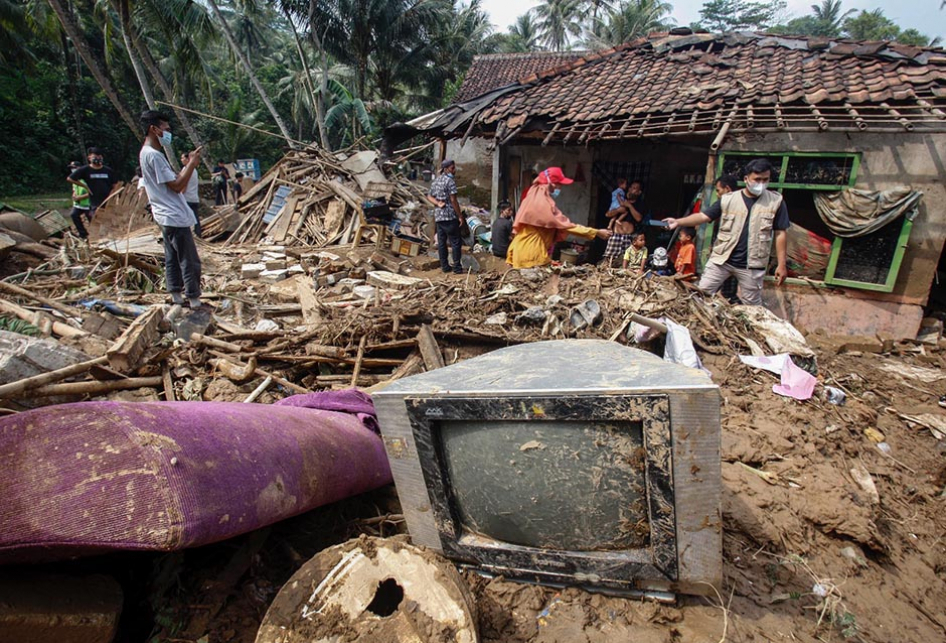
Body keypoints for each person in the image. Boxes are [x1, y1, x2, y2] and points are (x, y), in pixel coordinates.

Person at [665, 159, 789, 306]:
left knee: (753, 307)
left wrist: (782, 264)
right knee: (699, 295)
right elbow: (703, 216)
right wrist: (679, 222)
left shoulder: (776, 201)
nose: (761, 183)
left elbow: (781, 233)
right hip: (722, 260)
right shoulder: (728, 200)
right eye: (757, 179)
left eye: (765, 180)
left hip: (752, 265)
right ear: (746, 179)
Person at [138, 109, 205, 309]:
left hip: (165, 214)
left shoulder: (146, 153)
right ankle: (193, 298)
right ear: (154, 129)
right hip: (173, 215)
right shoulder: (154, 156)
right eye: (165, 129)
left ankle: (175, 293)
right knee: (189, 259)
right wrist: (192, 164)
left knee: (172, 257)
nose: (168, 132)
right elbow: (176, 186)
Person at [506, 167, 612, 269]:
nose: (560, 187)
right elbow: (568, 227)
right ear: (552, 183)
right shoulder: (542, 203)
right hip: (531, 255)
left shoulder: (532, 196)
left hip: (519, 252)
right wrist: (597, 232)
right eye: (560, 184)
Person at [426, 159, 465, 273]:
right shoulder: (450, 181)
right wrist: (460, 216)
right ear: (446, 169)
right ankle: (457, 268)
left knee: (442, 242)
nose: (454, 170)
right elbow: (453, 200)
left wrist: (437, 203)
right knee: (455, 242)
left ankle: (445, 266)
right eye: (453, 168)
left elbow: (429, 196)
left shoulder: (437, 181)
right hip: (449, 216)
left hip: (439, 217)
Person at [602, 179, 647, 266]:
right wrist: (618, 210)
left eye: (635, 188)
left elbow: (638, 219)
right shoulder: (620, 200)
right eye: (631, 187)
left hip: (629, 237)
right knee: (609, 258)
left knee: (628, 260)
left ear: (639, 192)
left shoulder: (640, 204)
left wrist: (629, 206)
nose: (631, 190)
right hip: (616, 235)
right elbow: (607, 214)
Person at [67, 147, 118, 221]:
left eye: (99, 156)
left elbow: (115, 185)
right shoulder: (85, 170)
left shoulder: (108, 170)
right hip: (94, 202)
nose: (97, 158)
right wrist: (85, 186)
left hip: (108, 200)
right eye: (95, 156)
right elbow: (70, 179)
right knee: (95, 220)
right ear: (89, 158)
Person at [713, 175, 740, 302]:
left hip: (730, 255)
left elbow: (704, 217)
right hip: (726, 254)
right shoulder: (726, 206)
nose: (717, 195)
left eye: (718, 190)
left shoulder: (734, 205)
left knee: (725, 291)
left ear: (727, 189)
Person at [67, 161, 92, 240]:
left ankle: (95, 234)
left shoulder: (86, 179)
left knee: (92, 219)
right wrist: (74, 195)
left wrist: (80, 197)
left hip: (88, 204)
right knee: (74, 215)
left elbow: (91, 192)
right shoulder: (74, 179)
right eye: (71, 168)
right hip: (78, 204)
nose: (72, 170)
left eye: (74, 168)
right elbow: (74, 189)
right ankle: (83, 233)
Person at [180, 151, 201, 238]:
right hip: (194, 198)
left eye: (183, 158)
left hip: (187, 198)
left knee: (187, 220)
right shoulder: (194, 170)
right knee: (195, 219)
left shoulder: (187, 170)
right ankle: (197, 235)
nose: (181, 160)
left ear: (188, 159)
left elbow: (184, 184)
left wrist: (179, 193)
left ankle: (193, 237)